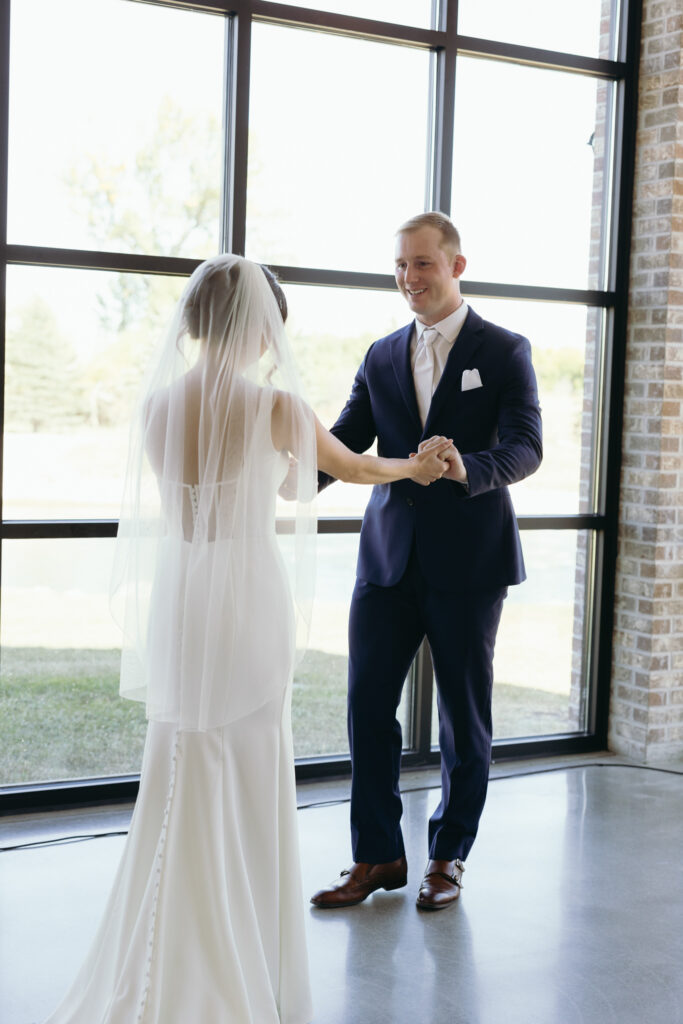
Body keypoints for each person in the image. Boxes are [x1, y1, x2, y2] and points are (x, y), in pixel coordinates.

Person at [42, 254, 452, 1024]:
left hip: (185, 591)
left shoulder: (158, 403)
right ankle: (236, 960)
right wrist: (418, 467)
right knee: (246, 751)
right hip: (245, 596)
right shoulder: (273, 403)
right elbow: (350, 470)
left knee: (182, 753)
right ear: (260, 324)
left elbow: (280, 482)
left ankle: (170, 943)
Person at [311, 212, 543, 912]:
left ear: (455, 266)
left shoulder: (503, 349)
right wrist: (269, 486)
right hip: (385, 561)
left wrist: (458, 468)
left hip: (469, 564)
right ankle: (377, 854)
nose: (409, 279)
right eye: (401, 267)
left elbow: (525, 448)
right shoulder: (381, 354)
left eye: (422, 265)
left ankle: (447, 858)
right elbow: (346, 446)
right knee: (363, 708)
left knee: (461, 717)